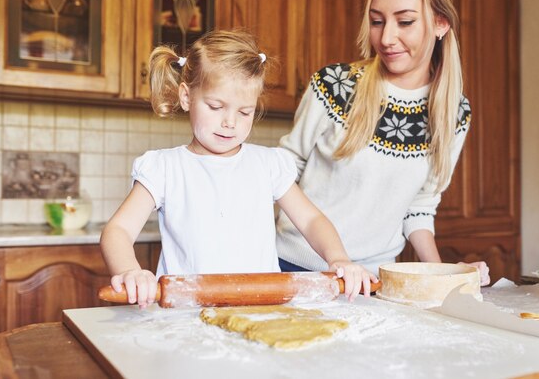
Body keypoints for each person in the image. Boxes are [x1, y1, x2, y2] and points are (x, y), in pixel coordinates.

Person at [100, 30, 377, 309]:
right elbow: (118, 230)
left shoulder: (267, 165)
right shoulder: (164, 168)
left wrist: (339, 259)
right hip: (184, 318)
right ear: (186, 96)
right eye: (216, 106)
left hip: (261, 313)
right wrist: (128, 271)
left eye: (244, 112)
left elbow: (311, 220)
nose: (230, 122)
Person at [275, 0, 490, 286]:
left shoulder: (454, 113)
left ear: (440, 23)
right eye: (377, 21)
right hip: (296, 268)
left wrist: (443, 276)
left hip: (375, 281)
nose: (386, 37)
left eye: (405, 21)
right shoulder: (335, 86)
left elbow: (420, 206)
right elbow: (281, 173)